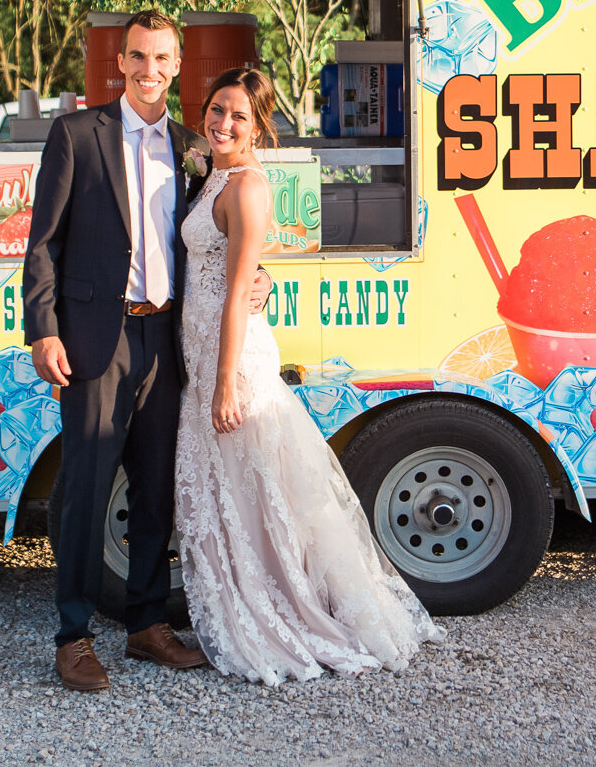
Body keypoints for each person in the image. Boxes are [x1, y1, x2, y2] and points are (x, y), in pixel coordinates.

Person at [20, 9, 268, 692]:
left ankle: (146, 626)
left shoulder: (196, 145)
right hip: (96, 341)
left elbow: (222, 229)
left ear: (177, 65)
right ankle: (72, 636)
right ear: (119, 61)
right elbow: (43, 245)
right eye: (137, 57)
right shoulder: (76, 135)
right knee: (86, 493)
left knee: (157, 490)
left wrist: (258, 275)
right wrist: (43, 329)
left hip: (168, 339)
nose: (148, 70)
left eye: (161, 59)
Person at [174, 66, 443, 686]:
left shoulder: (246, 188)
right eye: (217, 110)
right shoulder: (212, 170)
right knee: (235, 489)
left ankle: (282, 610)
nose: (223, 123)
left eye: (239, 116)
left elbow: (240, 287)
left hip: (231, 353)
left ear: (258, 125)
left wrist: (222, 382)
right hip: (203, 345)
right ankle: (247, 594)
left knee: (258, 488)